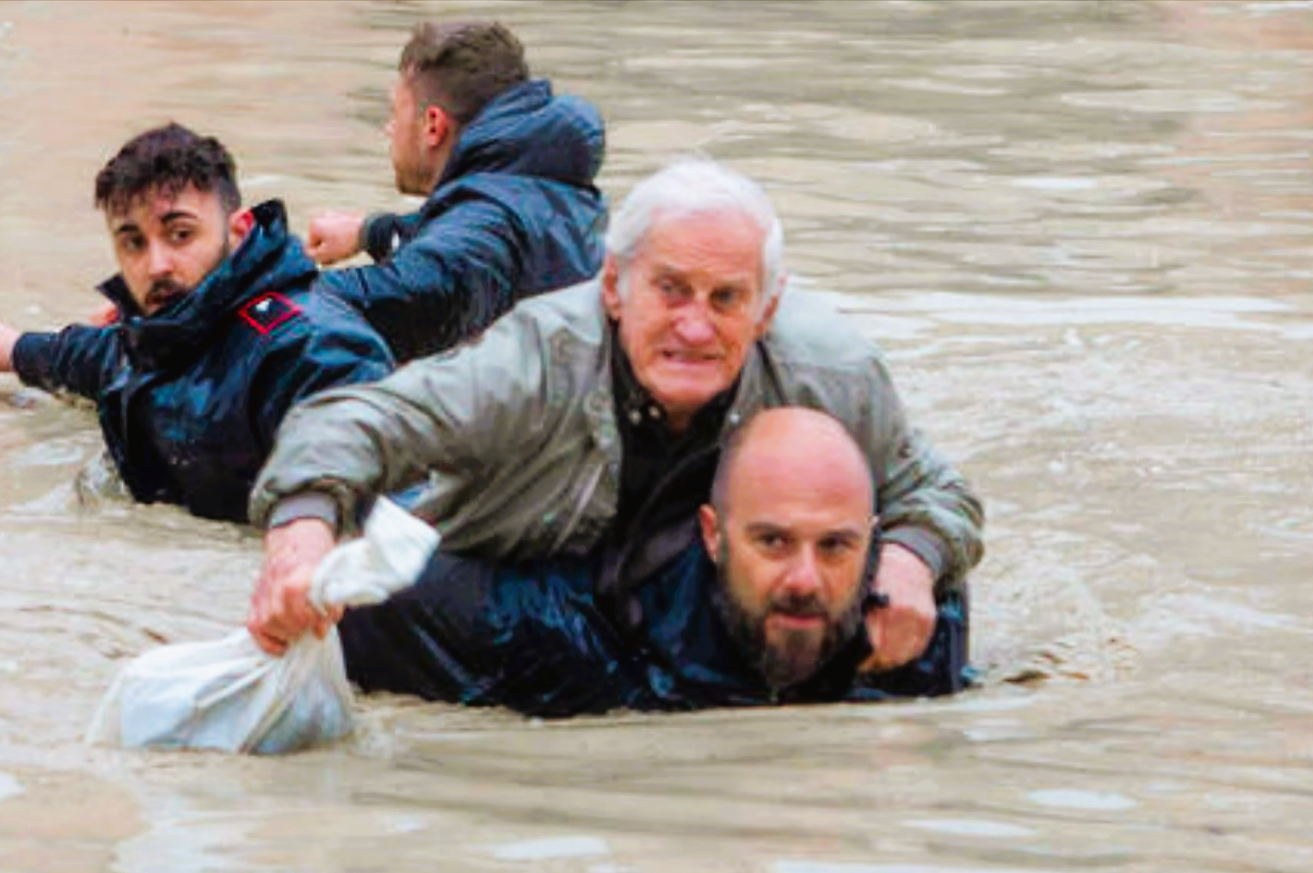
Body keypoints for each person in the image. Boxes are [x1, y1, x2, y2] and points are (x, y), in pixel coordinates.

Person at [247, 158, 983, 681]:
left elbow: (937, 494)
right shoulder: (532, 361)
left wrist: (911, 559)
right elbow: (351, 422)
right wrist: (299, 537)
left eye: (725, 299)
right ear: (613, 286)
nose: (695, 327)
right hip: (530, 579)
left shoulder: (832, 373)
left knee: (932, 613)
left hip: (692, 586)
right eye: (670, 290)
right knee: (371, 607)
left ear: (766, 306)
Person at [336, 408, 969, 716]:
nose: (806, 579)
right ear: (714, 536)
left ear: (872, 539)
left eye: (836, 546)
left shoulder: (913, 633)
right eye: (772, 543)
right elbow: (383, 593)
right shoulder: (571, 632)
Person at [0, 123, 394, 524]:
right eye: (133, 242)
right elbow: (104, 357)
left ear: (238, 231)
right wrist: (15, 350)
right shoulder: (167, 328)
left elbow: (385, 495)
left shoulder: (310, 349)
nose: (156, 264)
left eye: (180, 234)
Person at [305, 20, 607, 362]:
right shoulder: (547, 189)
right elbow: (459, 244)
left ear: (433, 125)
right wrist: (368, 232)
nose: (390, 129)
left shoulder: (485, 228)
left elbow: (416, 288)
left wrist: (260, 293)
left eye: (396, 113)